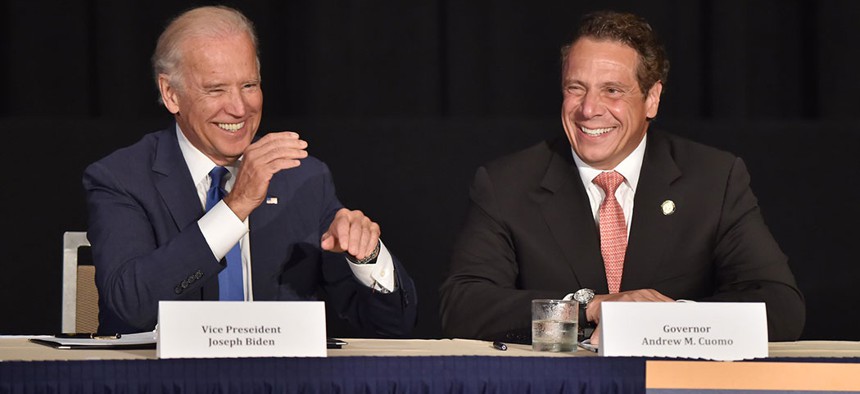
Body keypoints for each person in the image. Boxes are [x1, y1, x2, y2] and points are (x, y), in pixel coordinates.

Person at [439, 10, 805, 344]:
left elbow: (781, 306)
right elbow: (463, 308)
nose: (588, 109)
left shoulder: (713, 179)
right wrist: (587, 310)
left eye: (612, 91)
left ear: (652, 99)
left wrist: (670, 324)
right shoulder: (507, 184)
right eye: (575, 88)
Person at [83, 5, 417, 336]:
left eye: (249, 86)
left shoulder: (302, 180)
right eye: (216, 89)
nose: (239, 108)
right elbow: (131, 305)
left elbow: (392, 325)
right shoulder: (121, 179)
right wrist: (236, 206)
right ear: (171, 94)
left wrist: (367, 255)